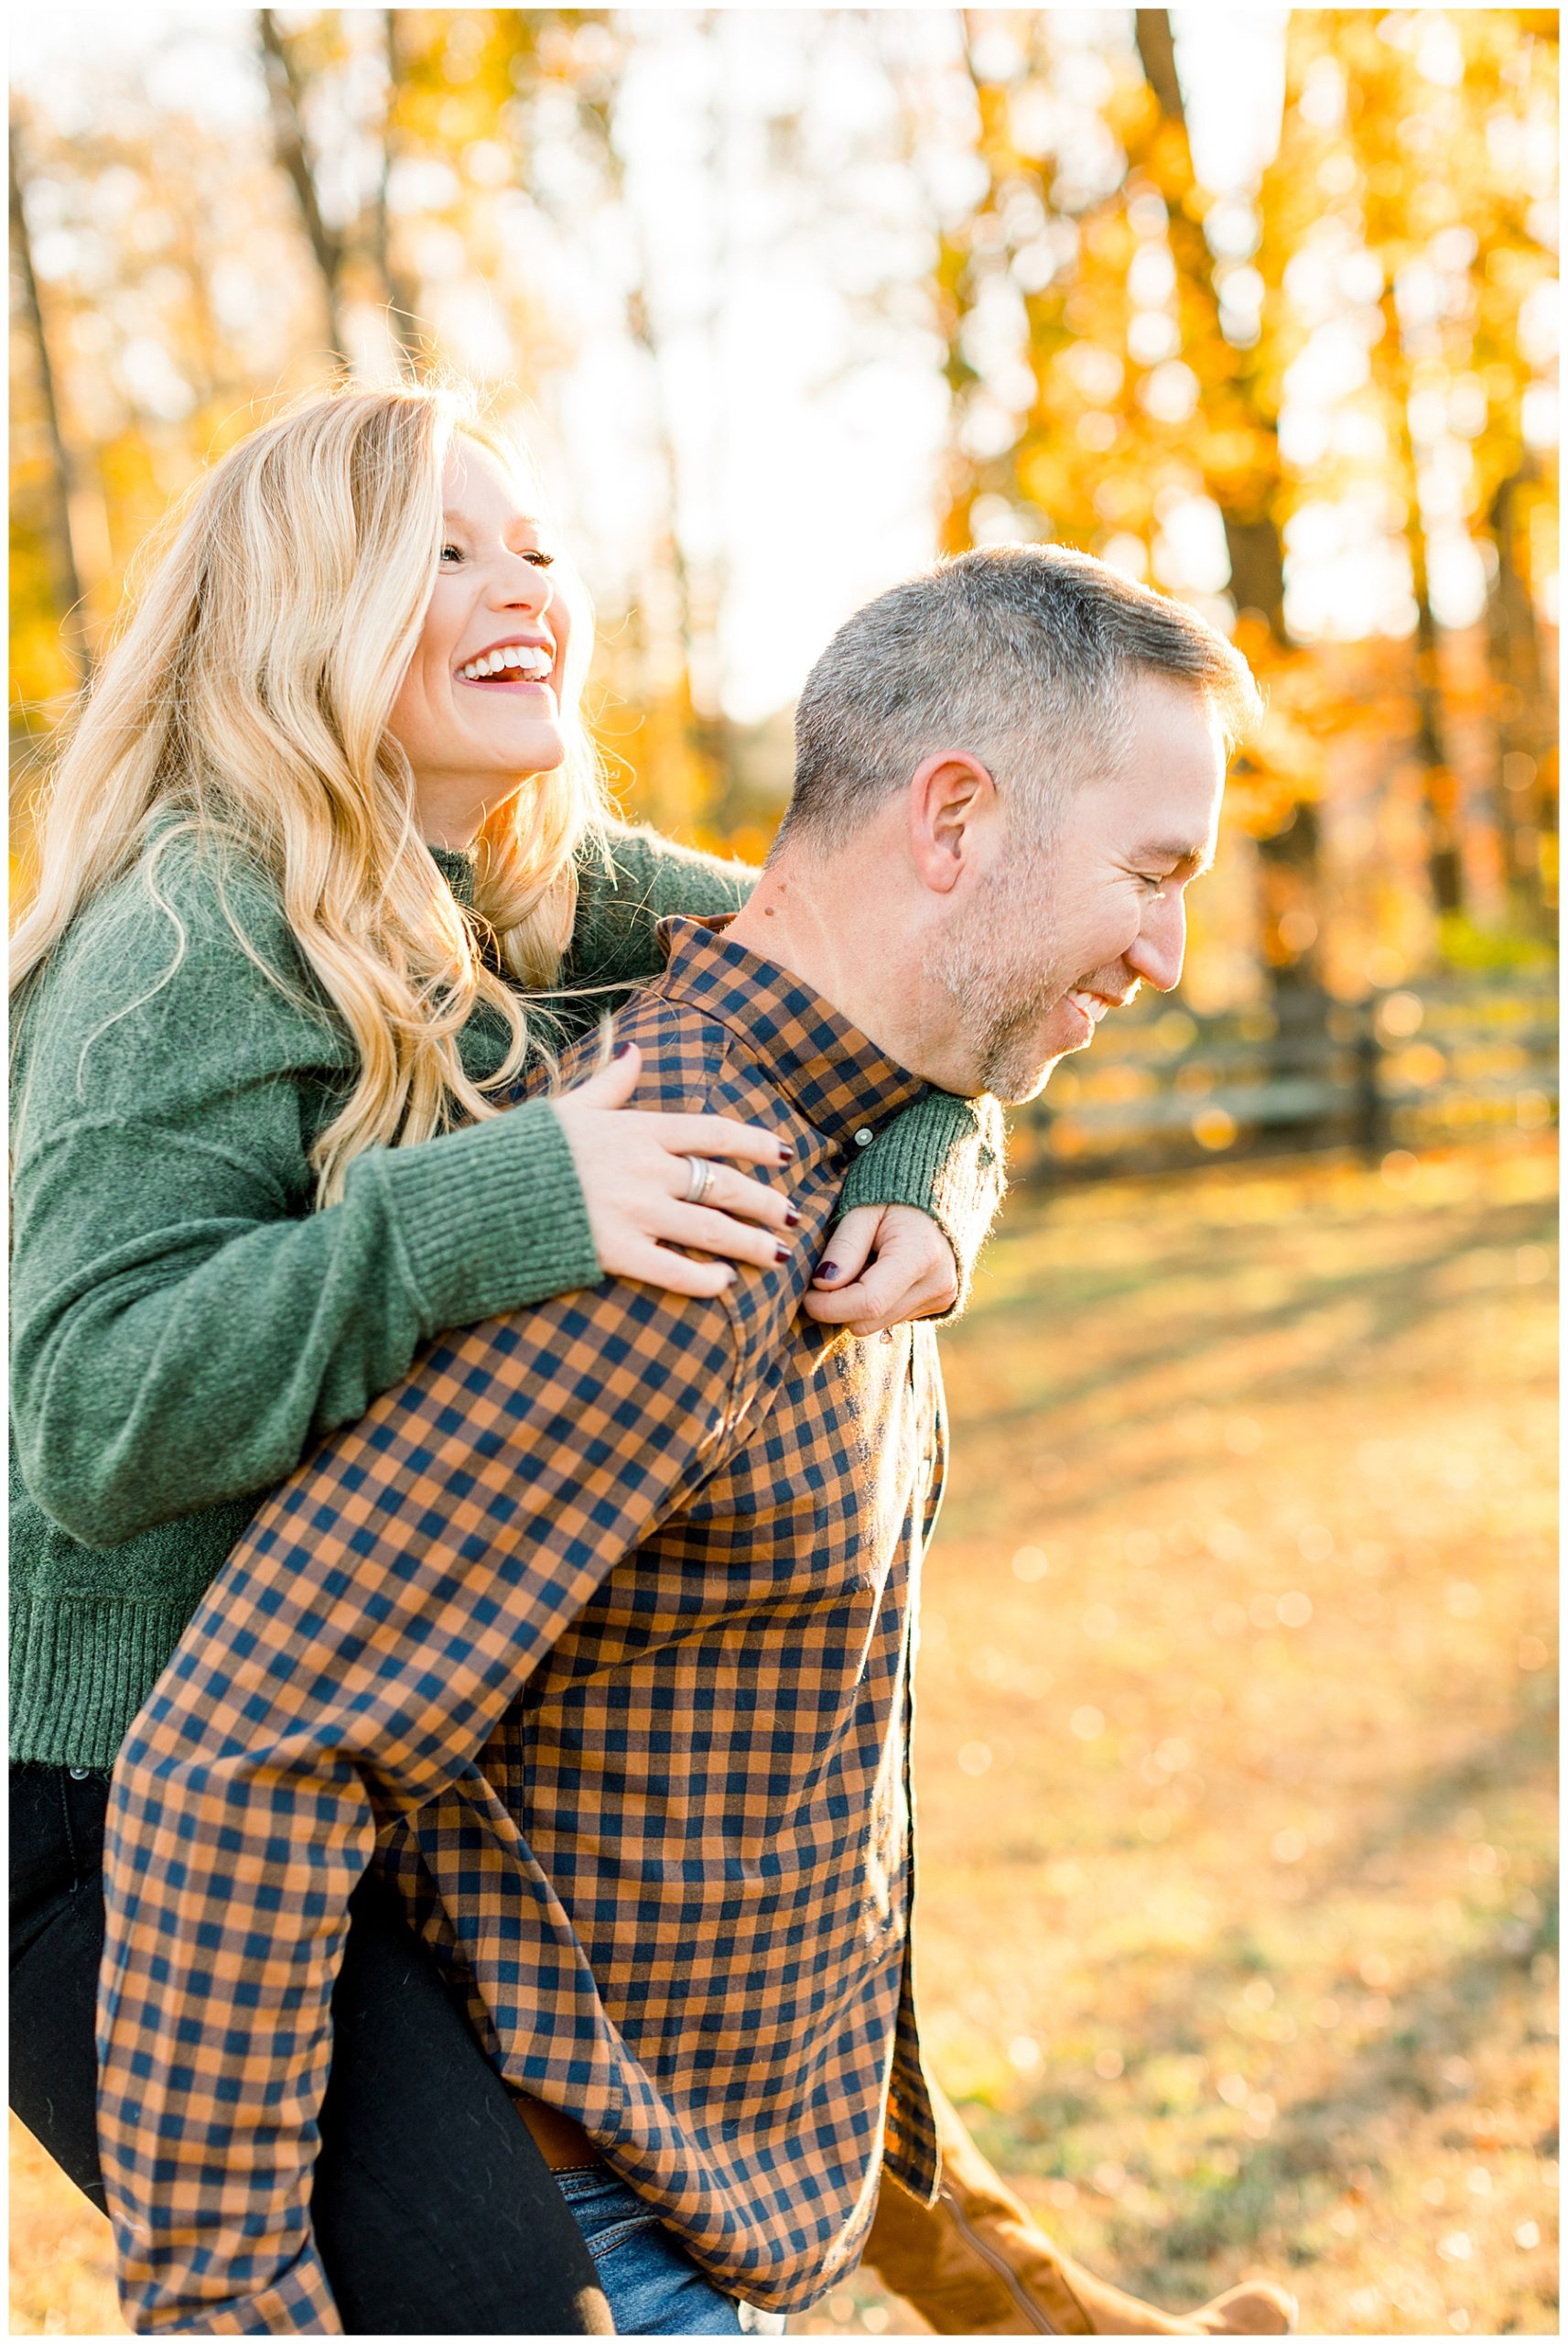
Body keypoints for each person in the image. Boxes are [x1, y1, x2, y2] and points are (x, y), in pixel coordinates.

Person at [94, 541, 1297, 2337]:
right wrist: (222, 2308)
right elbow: (243, 1757)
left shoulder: (850, 1137)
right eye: (1148, 874)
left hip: (740, 2173)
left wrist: (937, 1153)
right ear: (951, 817)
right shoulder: (679, 1210)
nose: (1166, 953)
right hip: (609, 2240)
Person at [8, 384, 1000, 2339]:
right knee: (494, 2304)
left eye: (537, 549)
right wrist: (505, 1200)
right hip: (115, 1802)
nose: (521, 587)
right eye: (443, 553)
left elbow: (881, 980)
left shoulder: (544, 886)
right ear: (297, 610)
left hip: (379, 1759)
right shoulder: (186, 933)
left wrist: (924, 1176)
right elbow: (92, 1415)